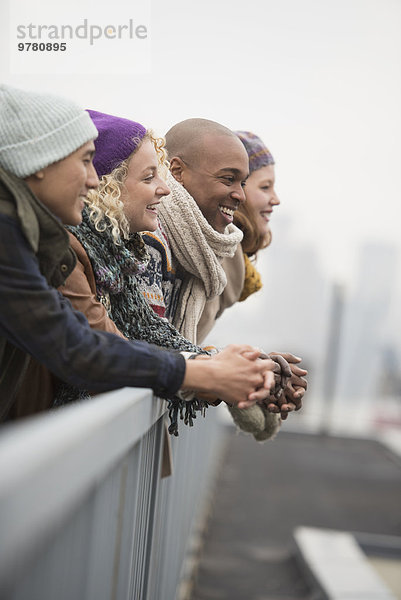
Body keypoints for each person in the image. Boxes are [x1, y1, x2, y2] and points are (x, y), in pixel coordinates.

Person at [0, 84, 276, 423]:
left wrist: (225, 370)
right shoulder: (28, 238)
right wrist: (209, 374)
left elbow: (134, 333)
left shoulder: (47, 239)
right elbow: (79, 348)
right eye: (85, 161)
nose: (92, 178)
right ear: (39, 160)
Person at [137, 119, 305, 438]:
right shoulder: (151, 240)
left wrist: (246, 371)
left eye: (243, 183)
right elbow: (144, 343)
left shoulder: (201, 251)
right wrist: (229, 374)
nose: (239, 194)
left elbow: (164, 345)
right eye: (230, 179)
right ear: (176, 171)